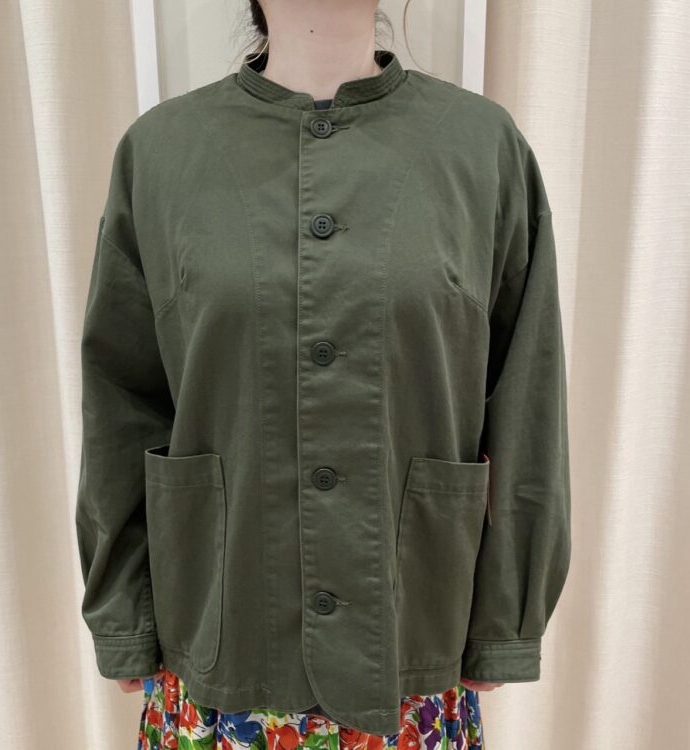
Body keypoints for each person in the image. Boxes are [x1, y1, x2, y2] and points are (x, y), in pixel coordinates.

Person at [74, 1, 571, 748]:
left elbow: (527, 397)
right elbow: (121, 400)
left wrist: (507, 617)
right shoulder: (160, 154)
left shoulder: (483, 149)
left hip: (411, 650)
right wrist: (123, 612)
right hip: (219, 649)